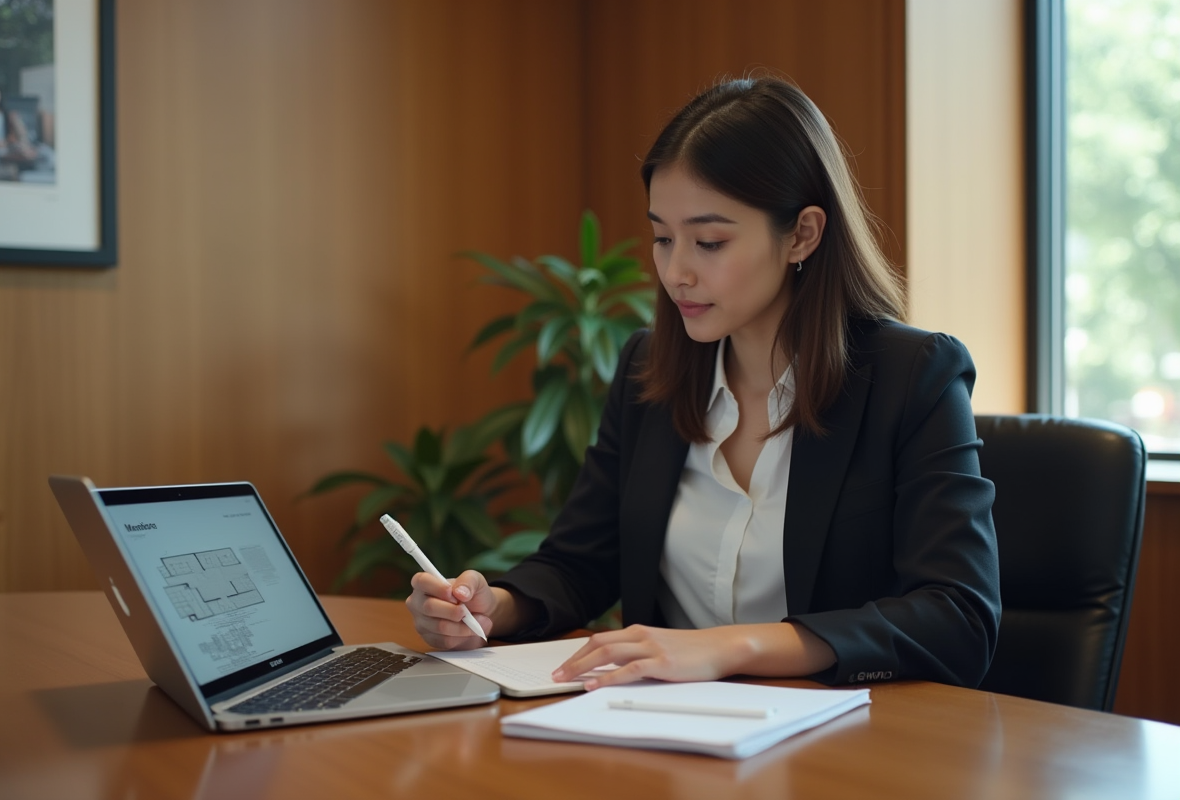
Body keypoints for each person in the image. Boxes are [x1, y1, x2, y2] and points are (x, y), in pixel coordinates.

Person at [405, 76, 1001, 690]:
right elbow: (579, 562)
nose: (675, 271)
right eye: (663, 237)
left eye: (709, 241)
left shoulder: (914, 377)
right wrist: (492, 606)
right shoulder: (648, 368)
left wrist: (727, 649)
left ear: (802, 234)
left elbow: (958, 617)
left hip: (842, 747)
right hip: (666, 739)